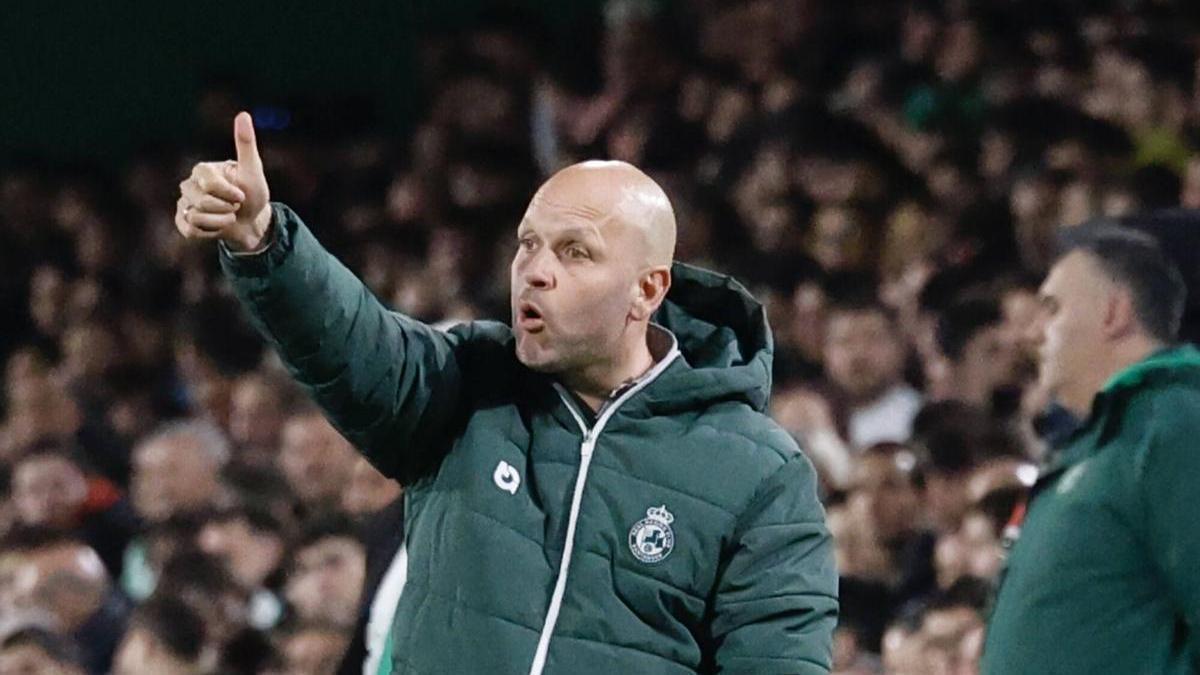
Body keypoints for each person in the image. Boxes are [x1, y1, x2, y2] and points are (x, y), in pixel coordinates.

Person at [175, 112, 837, 673]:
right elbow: (355, 344)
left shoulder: (757, 473)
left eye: (575, 252)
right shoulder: (469, 381)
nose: (536, 273)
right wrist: (266, 243)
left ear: (647, 289)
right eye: (528, 245)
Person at [983, 226, 1200, 673]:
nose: (1030, 334)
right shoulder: (1102, 441)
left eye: (1052, 309)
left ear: (1114, 312)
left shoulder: (1176, 422)